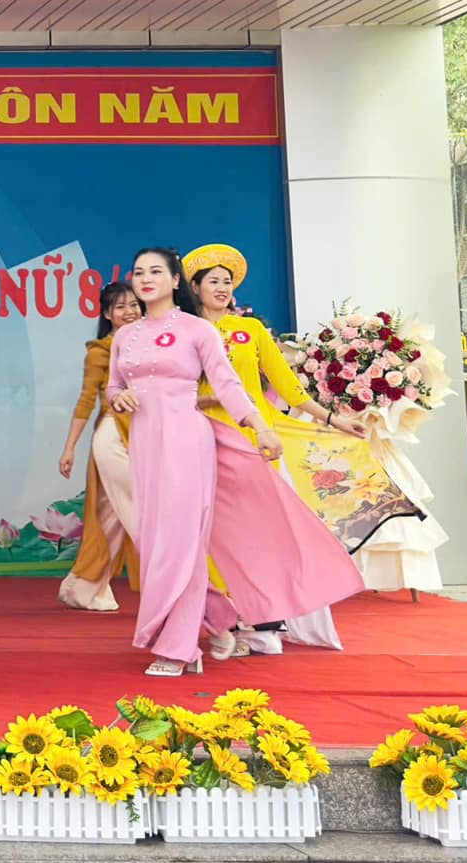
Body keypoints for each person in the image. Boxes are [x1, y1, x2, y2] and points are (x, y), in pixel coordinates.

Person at [107, 247, 364, 675]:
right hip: (145, 447)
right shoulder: (125, 336)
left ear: (175, 281)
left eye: (156, 271)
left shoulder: (197, 331)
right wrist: (119, 398)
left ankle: (178, 648)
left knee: (181, 542)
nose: (145, 279)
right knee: (155, 544)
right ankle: (219, 617)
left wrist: (260, 427)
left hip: (188, 442)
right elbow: (114, 386)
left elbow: (228, 385)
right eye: (138, 272)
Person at [185, 242, 416, 652]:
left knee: (259, 530)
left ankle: (263, 618)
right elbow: (176, 389)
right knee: (211, 532)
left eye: (227, 282)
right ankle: (222, 618)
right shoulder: (185, 332)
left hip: (256, 441)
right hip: (201, 439)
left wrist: (334, 419)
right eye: (213, 281)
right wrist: (209, 400)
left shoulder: (251, 331)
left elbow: (288, 386)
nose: (222, 288)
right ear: (194, 287)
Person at [56, 282, 142, 611]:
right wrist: (69, 448)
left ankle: (83, 587)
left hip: (145, 434)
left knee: (112, 516)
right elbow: (86, 400)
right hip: (113, 434)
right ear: (107, 314)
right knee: (143, 506)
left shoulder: (153, 346)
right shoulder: (101, 351)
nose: (129, 312)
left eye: (134, 304)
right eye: (120, 307)